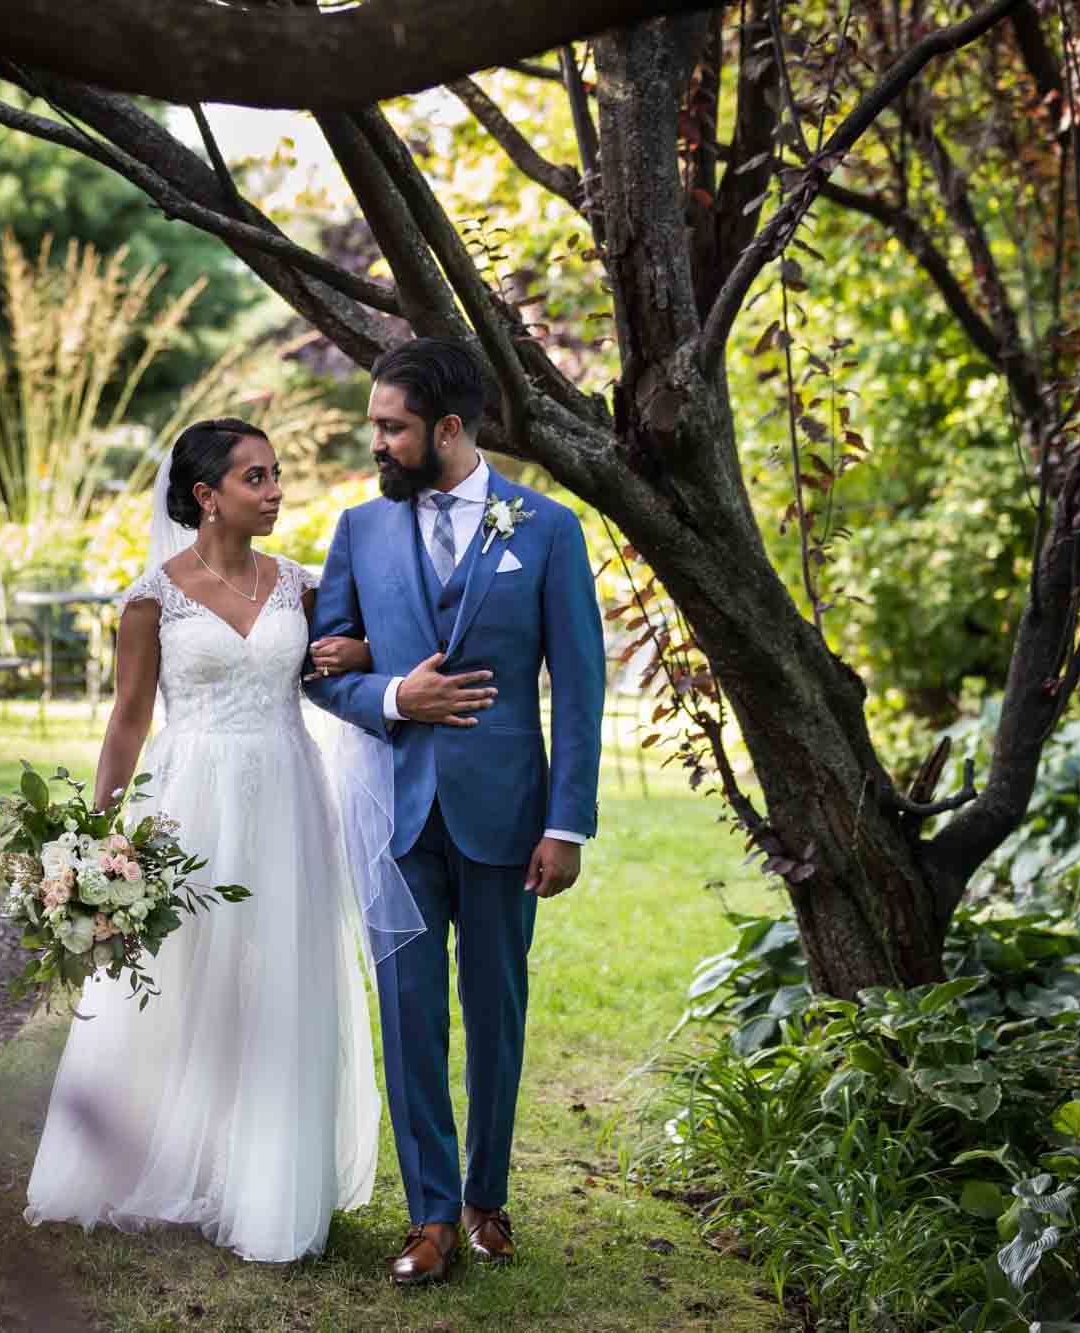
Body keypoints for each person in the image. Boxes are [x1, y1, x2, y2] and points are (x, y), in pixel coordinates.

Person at [23, 418, 381, 1264]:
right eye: (256, 478)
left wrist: (357, 648)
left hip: (289, 791)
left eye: (277, 473)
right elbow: (128, 722)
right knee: (184, 977)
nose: (276, 490)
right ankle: (146, 1156)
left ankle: (269, 1184)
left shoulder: (300, 586)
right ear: (205, 496)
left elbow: (347, 659)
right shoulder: (154, 597)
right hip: (189, 801)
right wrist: (96, 842)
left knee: (283, 978)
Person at [305, 337, 607, 1286]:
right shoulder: (358, 528)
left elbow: (582, 686)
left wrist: (568, 823)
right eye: (375, 428)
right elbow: (322, 670)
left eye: (392, 428)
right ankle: (430, 1214)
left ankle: (487, 1198)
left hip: (507, 814)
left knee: (497, 1009)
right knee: (410, 1016)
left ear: (447, 428)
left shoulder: (548, 530)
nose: (378, 444)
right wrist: (397, 696)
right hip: (393, 813)